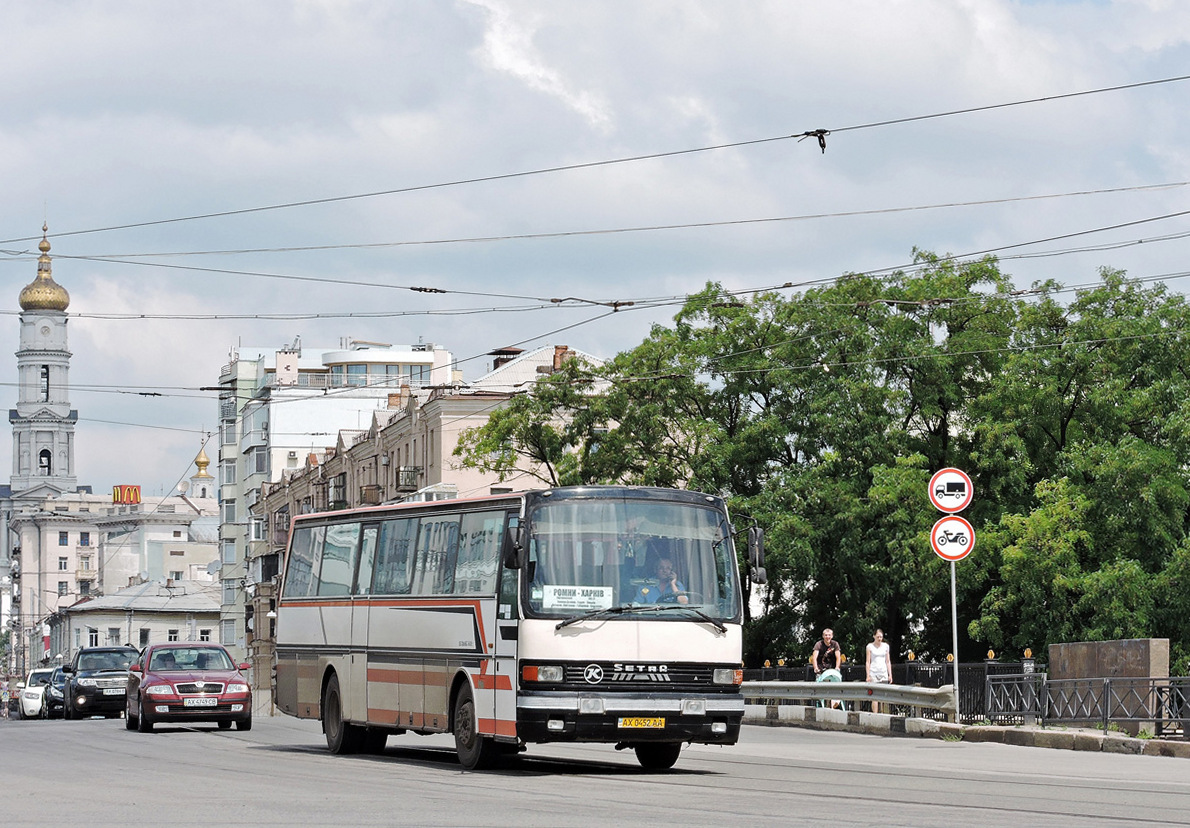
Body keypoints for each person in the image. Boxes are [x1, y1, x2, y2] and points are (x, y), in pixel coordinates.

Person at [865, 628, 894, 713]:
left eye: (881, 637)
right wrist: (868, 675)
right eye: (878, 637)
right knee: (875, 695)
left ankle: (884, 713)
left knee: (884, 694)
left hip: (883, 672)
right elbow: (868, 662)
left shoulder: (886, 646)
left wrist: (890, 675)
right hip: (873, 672)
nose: (879, 639)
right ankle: (875, 714)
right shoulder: (870, 646)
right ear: (874, 636)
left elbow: (888, 661)